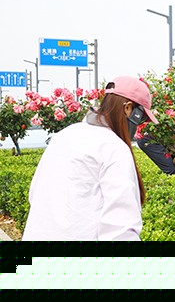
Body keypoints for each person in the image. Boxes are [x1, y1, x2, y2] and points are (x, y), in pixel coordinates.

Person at [22, 76, 159, 240]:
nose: (139, 125)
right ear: (128, 108)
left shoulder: (65, 134)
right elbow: (120, 229)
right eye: (142, 118)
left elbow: (35, 194)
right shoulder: (114, 148)